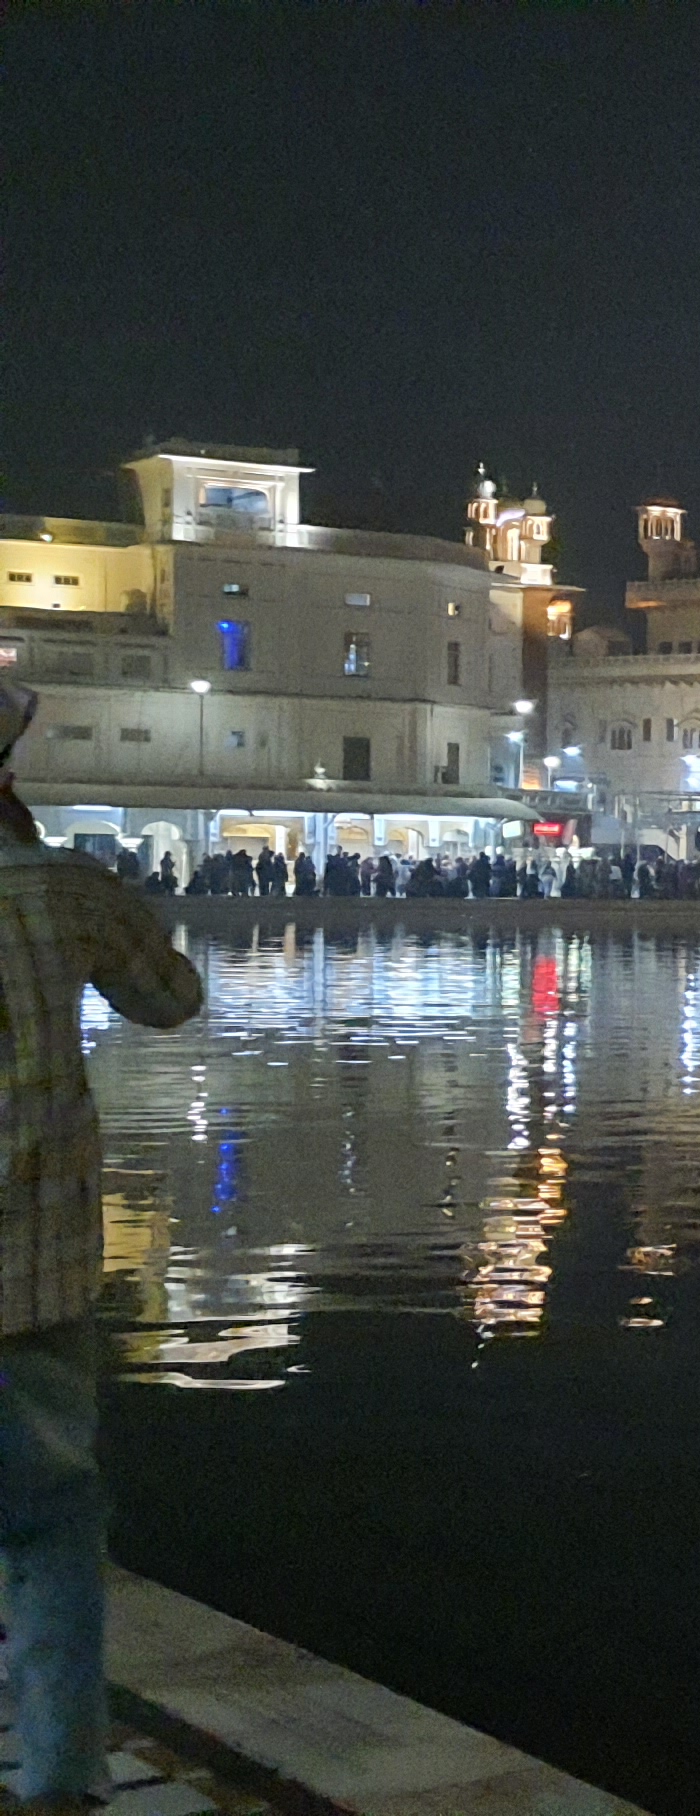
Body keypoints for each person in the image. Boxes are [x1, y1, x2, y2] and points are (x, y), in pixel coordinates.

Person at [0, 684, 202, 1811]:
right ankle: (62, 1778)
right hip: (31, 1275)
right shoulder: (66, 888)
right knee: (49, 1532)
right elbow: (174, 997)